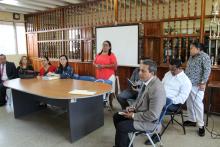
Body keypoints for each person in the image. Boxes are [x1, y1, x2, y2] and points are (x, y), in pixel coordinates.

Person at [113, 59, 166, 147]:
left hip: (150, 122)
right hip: (141, 113)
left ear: (152, 73)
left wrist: (133, 115)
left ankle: (123, 144)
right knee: (117, 117)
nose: (139, 73)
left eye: (143, 71)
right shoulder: (146, 82)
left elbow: (153, 115)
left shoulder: (157, 89)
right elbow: (139, 100)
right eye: (139, 70)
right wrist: (133, 107)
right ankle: (124, 144)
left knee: (122, 126)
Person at [145, 58, 192, 145]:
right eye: (170, 69)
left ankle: (157, 135)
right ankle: (145, 124)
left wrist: (164, 100)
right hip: (161, 98)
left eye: (173, 69)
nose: (171, 71)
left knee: (158, 105)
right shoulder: (168, 74)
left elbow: (182, 99)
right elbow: (161, 86)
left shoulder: (186, 81)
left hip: (174, 104)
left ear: (179, 68)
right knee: (146, 98)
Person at [184, 41, 211, 137]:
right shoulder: (191, 57)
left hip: (198, 85)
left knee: (198, 104)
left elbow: (207, 70)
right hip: (188, 84)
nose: (189, 50)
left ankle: (201, 126)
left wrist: (203, 82)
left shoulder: (205, 57)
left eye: (191, 48)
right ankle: (192, 120)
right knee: (189, 103)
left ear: (198, 49)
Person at [93, 40, 117, 107]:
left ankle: (111, 104)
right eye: (103, 45)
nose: (104, 46)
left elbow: (114, 65)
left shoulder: (111, 55)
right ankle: (102, 103)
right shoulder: (98, 54)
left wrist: (104, 66)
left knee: (111, 91)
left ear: (109, 47)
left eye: (106, 45)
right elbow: (94, 62)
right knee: (100, 90)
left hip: (109, 75)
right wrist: (96, 65)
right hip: (99, 75)